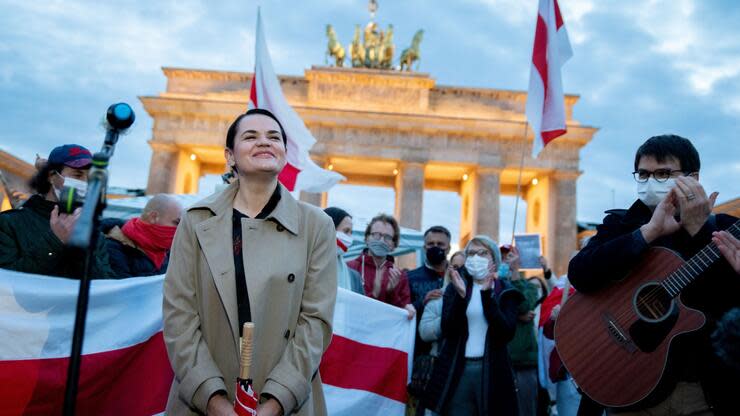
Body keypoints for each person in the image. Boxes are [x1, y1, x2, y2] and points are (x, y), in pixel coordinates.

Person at [162, 108, 337, 416]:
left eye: (274, 137)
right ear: (230, 155)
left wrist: (276, 402)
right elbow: (180, 316)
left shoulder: (316, 226)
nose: (264, 142)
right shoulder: (196, 221)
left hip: (284, 401)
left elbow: (315, 323)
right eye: (250, 136)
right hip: (205, 399)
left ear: (284, 153)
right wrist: (214, 401)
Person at [568, 134, 739, 415]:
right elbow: (580, 273)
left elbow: (725, 306)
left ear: (692, 177)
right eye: (644, 174)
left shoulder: (724, 230)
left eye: (663, 174)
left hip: (701, 390)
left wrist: (699, 233)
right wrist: (646, 233)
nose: (651, 181)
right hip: (630, 386)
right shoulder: (620, 225)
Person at [423, 235, 523, 415]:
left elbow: (506, 333)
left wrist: (487, 297)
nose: (476, 258)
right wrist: (461, 298)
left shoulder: (507, 291)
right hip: (459, 369)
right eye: (471, 253)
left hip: (493, 371)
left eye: (482, 253)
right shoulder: (456, 287)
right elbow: (448, 329)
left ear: (494, 258)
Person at [0, 144, 113, 278]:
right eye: (78, 174)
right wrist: (55, 240)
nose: (86, 183)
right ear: (52, 176)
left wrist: (80, 248)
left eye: (91, 177)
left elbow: (106, 285)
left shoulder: (94, 234)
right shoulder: (9, 224)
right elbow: (7, 282)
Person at [347, 214, 416, 319]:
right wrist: (374, 293)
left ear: (393, 245)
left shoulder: (399, 276)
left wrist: (391, 293)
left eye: (387, 237)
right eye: (376, 235)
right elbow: (346, 305)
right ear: (366, 238)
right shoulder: (350, 268)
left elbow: (402, 318)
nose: (381, 240)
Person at [101, 194, 183, 278]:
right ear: (153, 217)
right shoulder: (112, 249)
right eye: (176, 223)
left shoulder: (169, 251)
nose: (180, 229)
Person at [502, 244, 541, 416]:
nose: (507, 260)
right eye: (503, 256)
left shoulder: (530, 286)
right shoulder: (495, 285)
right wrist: (516, 316)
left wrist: (515, 273)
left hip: (524, 360)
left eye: (510, 256)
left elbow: (524, 305)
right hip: (502, 359)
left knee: (526, 409)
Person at [323, 206, 364, 294]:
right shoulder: (306, 268)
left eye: (351, 232)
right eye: (346, 231)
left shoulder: (354, 277)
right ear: (329, 230)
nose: (350, 237)